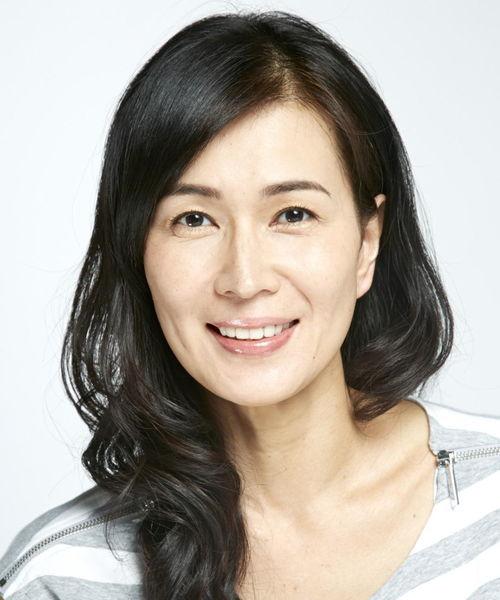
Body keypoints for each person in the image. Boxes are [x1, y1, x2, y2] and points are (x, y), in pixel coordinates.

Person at [1, 9, 499, 600]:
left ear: (367, 242)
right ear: (137, 251)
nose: (244, 279)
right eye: (193, 219)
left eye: (293, 214)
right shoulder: (59, 579)